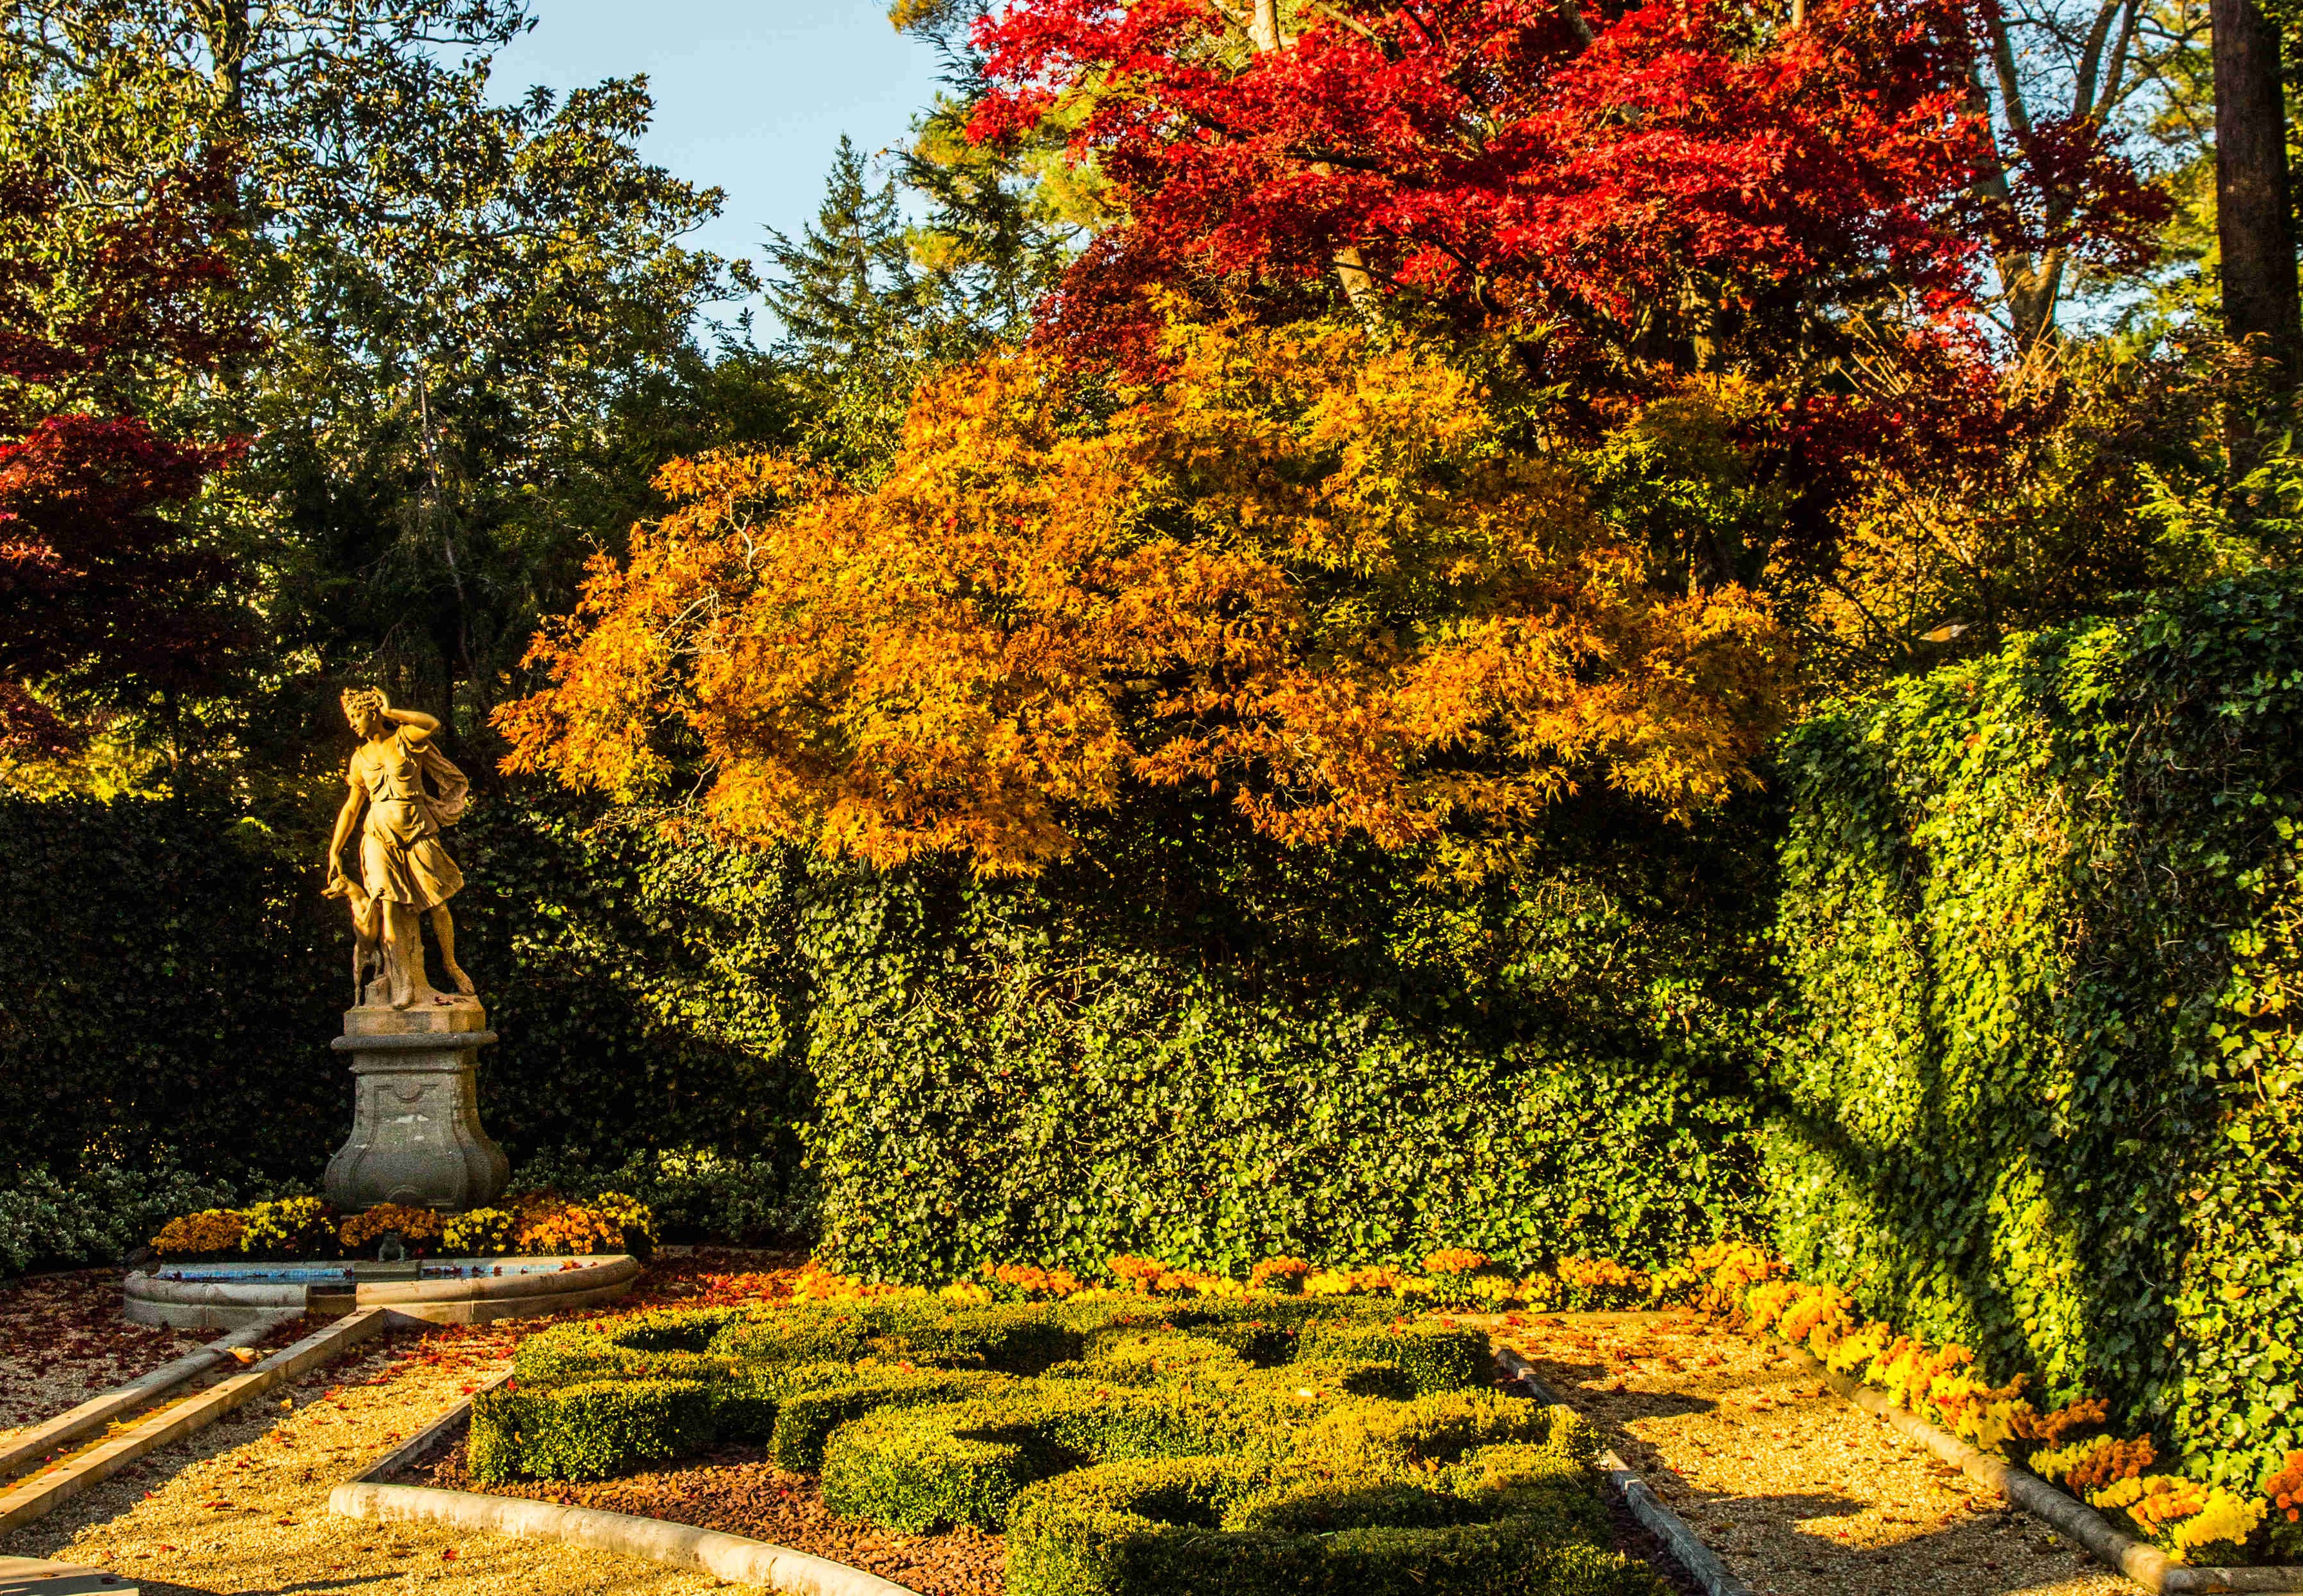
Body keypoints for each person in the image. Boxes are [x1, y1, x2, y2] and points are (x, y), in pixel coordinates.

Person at [325, 687, 475, 1007]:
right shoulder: (359, 758)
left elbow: (430, 723)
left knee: (438, 903)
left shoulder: (405, 738)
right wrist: (335, 849)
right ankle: (403, 982)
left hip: (418, 828)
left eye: (356, 716)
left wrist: (391, 711)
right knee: (388, 904)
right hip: (378, 832)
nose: (352, 723)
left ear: (373, 712)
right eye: (350, 718)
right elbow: (352, 808)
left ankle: (451, 964)